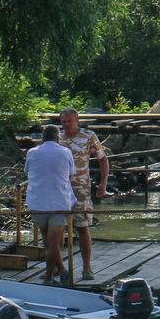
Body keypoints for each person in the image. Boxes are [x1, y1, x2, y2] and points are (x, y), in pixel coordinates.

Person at [58, 107, 109, 281]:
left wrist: (103, 184)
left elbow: (102, 159)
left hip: (81, 188)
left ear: (77, 120)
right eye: (63, 122)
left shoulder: (88, 136)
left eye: (69, 121)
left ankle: (87, 267)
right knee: (57, 228)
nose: (66, 125)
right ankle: (59, 267)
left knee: (82, 227)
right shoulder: (58, 138)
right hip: (60, 188)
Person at [25, 125, 76, 286]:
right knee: (54, 242)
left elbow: (27, 171)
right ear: (58, 138)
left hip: (38, 202)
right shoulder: (65, 152)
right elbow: (70, 173)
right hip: (59, 202)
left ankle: (61, 269)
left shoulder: (31, 153)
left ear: (42, 138)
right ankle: (48, 277)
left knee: (49, 240)